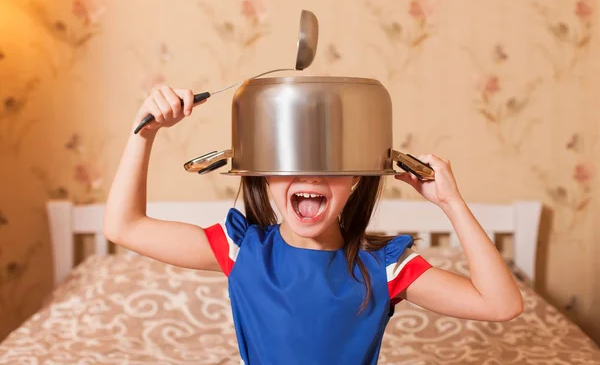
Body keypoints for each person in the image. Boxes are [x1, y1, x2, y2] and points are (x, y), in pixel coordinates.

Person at [103, 85, 524, 365]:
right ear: (263, 174)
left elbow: (501, 304)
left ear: (358, 176)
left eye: (331, 163)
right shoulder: (242, 250)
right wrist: (146, 131)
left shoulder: (385, 268)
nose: (310, 176)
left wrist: (450, 202)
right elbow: (124, 226)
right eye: (289, 163)